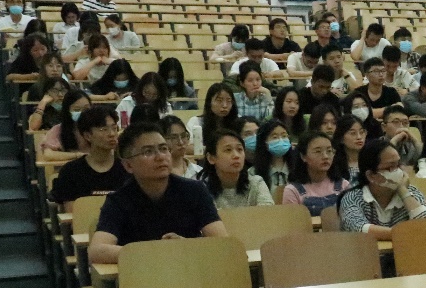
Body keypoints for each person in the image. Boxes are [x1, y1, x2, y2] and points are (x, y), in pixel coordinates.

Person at [89, 122, 228, 264]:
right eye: (148, 152)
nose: (160, 157)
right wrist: (156, 251)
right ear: (128, 165)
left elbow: (222, 243)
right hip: (143, 273)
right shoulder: (118, 201)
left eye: (163, 149)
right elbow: (97, 251)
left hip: (191, 270)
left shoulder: (195, 190)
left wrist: (186, 246)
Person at [337, 140, 426, 238]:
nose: (398, 171)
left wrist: (403, 191)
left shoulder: (411, 192)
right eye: (391, 166)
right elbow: (358, 228)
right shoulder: (353, 198)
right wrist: (407, 234)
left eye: (398, 165)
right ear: (371, 175)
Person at [49, 106, 128, 212]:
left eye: (114, 128)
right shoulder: (71, 172)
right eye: (104, 129)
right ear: (87, 136)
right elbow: (74, 215)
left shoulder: (127, 168)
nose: (112, 134)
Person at [198, 128, 274, 210]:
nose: (236, 155)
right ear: (211, 158)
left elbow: (268, 213)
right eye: (228, 150)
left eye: (239, 149)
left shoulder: (256, 183)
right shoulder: (201, 189)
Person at [283, 131, 350, 216]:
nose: (325, 156)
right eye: (318, 151)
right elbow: (293, 222)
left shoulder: (343, 186)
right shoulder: (293, 191)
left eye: (329, 151)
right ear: (303, 156)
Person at [40, 88, 91, 161]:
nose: (82, 113)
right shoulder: (58, 130)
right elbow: (48, 155)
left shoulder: (98, 128)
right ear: (67, 111)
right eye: (76, 109)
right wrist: (78, 155)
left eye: (86, 109)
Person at [188, 83, 239, 155]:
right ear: (209, 102)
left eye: (229, 101)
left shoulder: (239, 121)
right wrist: (217, 151)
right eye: (219, 100)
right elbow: (188, 148)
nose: (225, 105)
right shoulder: (196, 121)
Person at [252, 120, 296, 190]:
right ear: (264, 142)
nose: (281, 140)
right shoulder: (253, 173)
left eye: (284, 136)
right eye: (275, 137)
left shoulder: (298, 168)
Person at [333, 114, 369, 185]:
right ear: (341, 138)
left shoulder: (372, 161)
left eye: (362, 132)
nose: (359, 137)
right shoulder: (334, 165)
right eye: (353, 133)